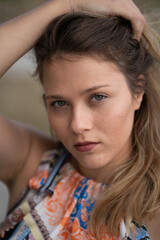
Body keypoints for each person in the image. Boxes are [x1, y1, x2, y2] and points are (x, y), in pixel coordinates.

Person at [0, 0, 159, 239]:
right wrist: (68, 4)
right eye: (59, 103)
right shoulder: (31, 164)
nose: (77, 124)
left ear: (137, 91)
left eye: (97, 97)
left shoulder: (154, 205)